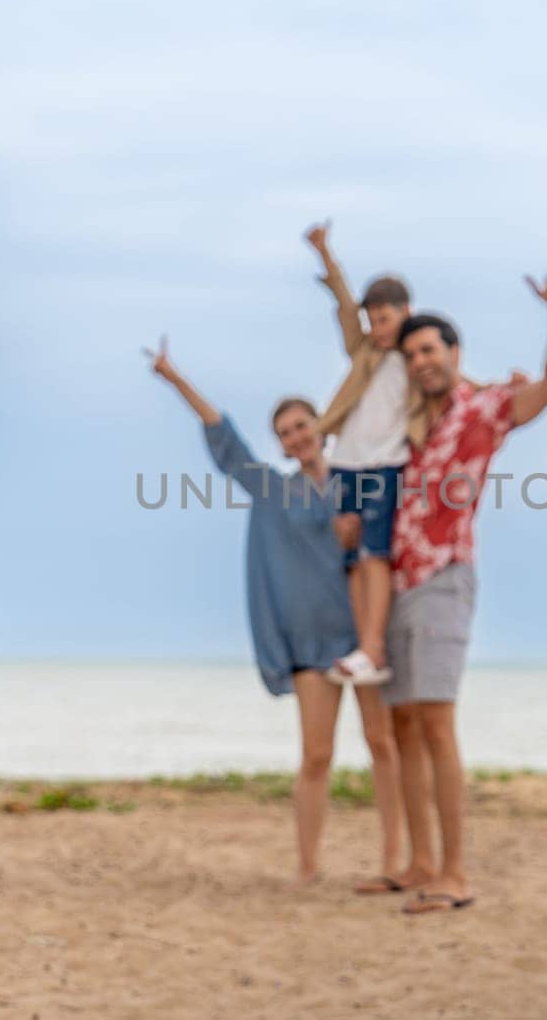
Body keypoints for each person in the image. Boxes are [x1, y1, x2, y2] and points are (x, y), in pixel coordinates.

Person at [145, 336, 407, 891]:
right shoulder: (270, 489)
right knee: (316, 755)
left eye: (302, 425)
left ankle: (393, 860)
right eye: (286, 432)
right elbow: (226, 442)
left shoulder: (355, 483)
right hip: (309, 645)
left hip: (361, 637)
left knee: (383, 745)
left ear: (320, 427)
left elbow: (381, 554)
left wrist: (350, 538)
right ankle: (308, 866)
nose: (296, 436)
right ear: (283, 445)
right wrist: (175, 378)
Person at [379, 275, 547, 915]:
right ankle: (421, 863)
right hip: (400, 581)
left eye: (429, 350)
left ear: (454, 353)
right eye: (412, 355)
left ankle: (456, 874)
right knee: (402, 723)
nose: (420, 361)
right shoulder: (414, 421)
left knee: (435, 722)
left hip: (445, 576)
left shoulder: (485, 408)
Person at [304, 220, 415, 688]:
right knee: (351, 553)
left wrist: (505, 387)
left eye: (384, 319)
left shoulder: (418, 355)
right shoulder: (366, 351)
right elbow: (345, 307)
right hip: (346, 460)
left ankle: (374, 646)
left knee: (375, 554)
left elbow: (461, 384)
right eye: (372, 320)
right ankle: (364, 646)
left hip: (387, 464)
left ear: (405, 313)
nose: (375, 327)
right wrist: (325, 255)